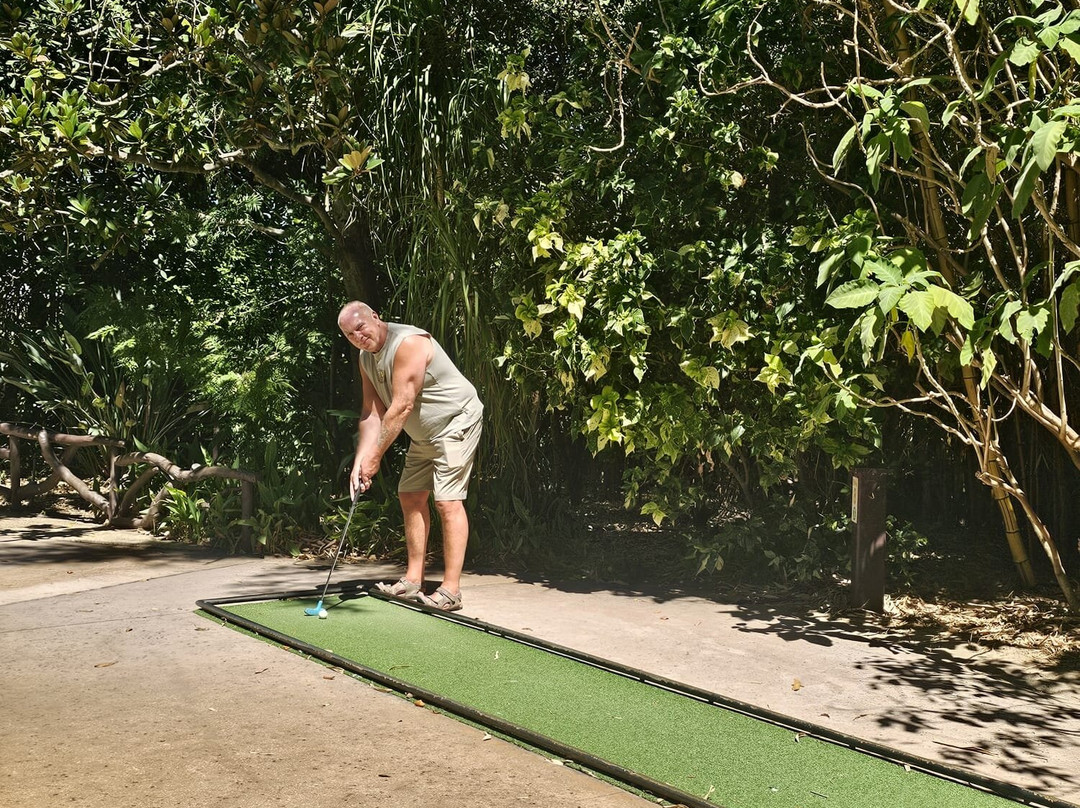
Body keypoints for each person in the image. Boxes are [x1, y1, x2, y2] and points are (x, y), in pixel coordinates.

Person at [338, 301, 483, 612]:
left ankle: (451, 590)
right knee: (410, 495)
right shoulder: (366, 359)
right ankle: (413, 580)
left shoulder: (408, 343)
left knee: (447, 501)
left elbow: (402, 405)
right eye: (350, 334)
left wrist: (376, 457)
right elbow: (371, 412)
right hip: (424, 433)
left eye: (360, 327)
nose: (358, 336)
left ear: (375, 317)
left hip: (456, 420)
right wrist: (361, 460)